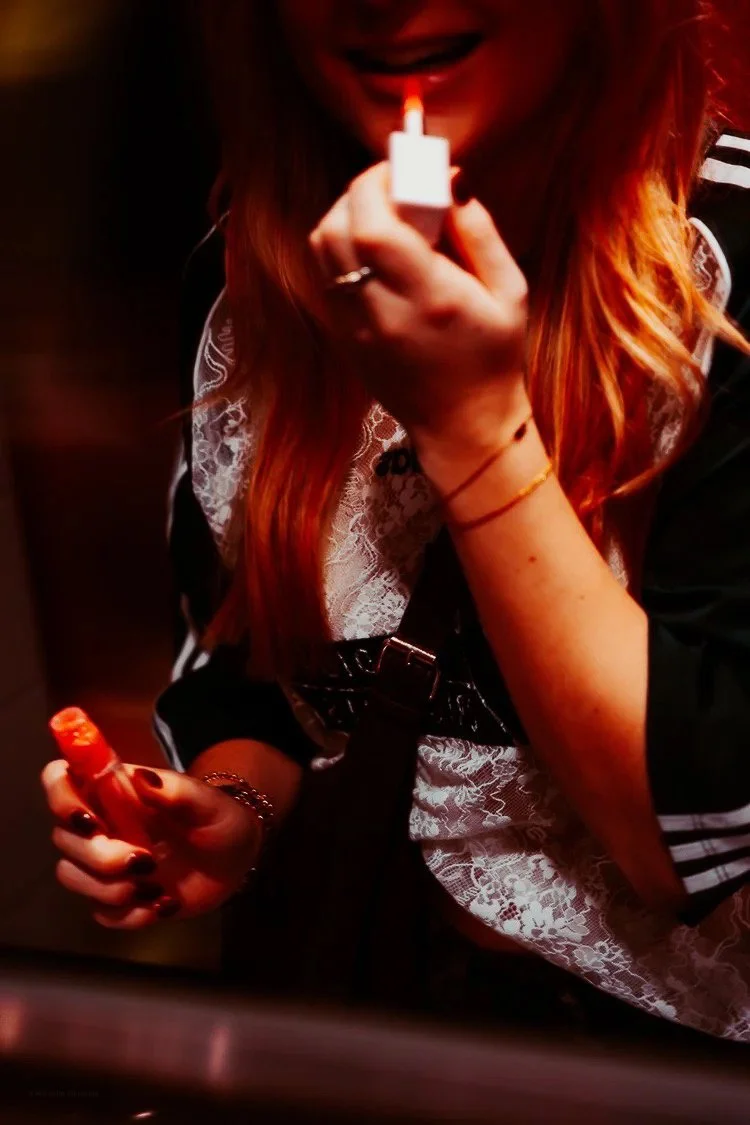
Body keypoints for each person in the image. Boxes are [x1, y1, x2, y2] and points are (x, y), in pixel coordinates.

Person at [42, 0, 750, 1047]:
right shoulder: (259, 269)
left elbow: (684, 835)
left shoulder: (718, 276)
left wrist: (474, 429)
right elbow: (256, 670)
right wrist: (230, 809)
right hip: (366, 1020)